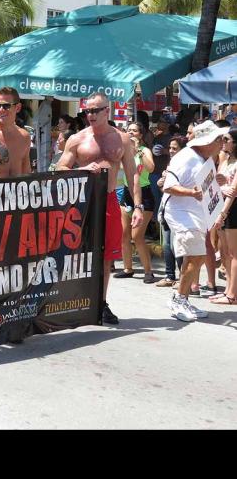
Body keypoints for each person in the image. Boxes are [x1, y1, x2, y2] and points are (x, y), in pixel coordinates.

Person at [56, 92, 144, 325]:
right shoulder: (77, 139)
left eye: (95, 110)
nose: (91, 115)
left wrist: (138, 206)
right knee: (76, 254)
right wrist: (82, 170)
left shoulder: (122, 139)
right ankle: (72, 301)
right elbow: (60, 168)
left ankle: (101, 302)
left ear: (107, 110)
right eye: (87, 111)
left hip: (109, 200)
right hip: (82, 202)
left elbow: (133, 175)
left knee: (106, 257)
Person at [163, 120, 228, 322]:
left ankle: (182, 298)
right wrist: (191, 192)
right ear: (207, 141)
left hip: (195, 213)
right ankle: (179, 300)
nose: (222, 142)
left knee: (197, 258)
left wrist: (215, 181)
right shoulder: (186, 158)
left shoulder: (204, 158)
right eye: (219, 139)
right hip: (181, 213)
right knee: (195, 257)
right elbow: (168, 186)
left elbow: (201, 184)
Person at [113, 122, 157, 283]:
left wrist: (138, 151)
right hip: (127, 193)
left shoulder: (145, 150)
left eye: (134, 130)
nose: (131, 133)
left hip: (144, 194)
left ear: (141, 134)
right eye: (128, 130)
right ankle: (128, 268)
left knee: (137, 236)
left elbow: (151, 168)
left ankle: (148, 271)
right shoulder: (123, 150)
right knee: (124, 234)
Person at [209, 127, 237, 305]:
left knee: (234, 254)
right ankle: (228, 290)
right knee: (225, 253)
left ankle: (233, 295)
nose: (223, 142)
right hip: (222, 206)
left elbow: (233, 191)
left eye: (226, 139)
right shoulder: (225, 160)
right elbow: (219, 183)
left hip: (231, 209)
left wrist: (222, 213)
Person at [155, 135, 187, 287]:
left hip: (179, 210)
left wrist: (167, 183)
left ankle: (183, 278)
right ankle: (169, 276)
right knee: (167, 245)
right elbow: (166, 189)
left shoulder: (186, 165)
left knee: (177, 245)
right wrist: (161, 183)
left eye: (175, 148)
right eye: (170, 148)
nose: (171, 151)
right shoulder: (170, 164)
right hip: (166, 206)